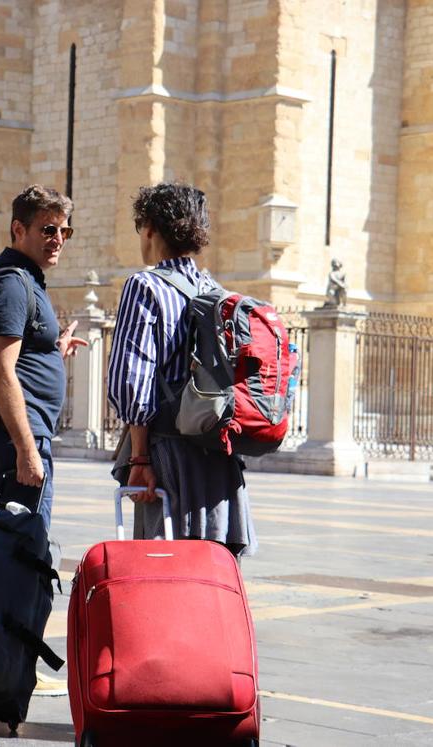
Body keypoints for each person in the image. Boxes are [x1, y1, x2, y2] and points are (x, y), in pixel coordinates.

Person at [107, 182, 256, 557]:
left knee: (163, 572)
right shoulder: (217, 293)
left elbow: (132, 381)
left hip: (167, 456)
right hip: (219, 461)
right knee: (211, 574)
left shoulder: (145, 286)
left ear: (151, 229)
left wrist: (139, 459)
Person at [0, 185, 87, 526]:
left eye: (64, 230)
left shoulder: (24, 279)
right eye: (48, 229)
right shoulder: (11, 284)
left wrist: (54, 352)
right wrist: (26, 451)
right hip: (9, 441)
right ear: (18, 229)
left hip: (9, 437)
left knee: (8, 548)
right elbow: (0, 372)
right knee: (22, 548)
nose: (58, 238)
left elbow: (15, 358)